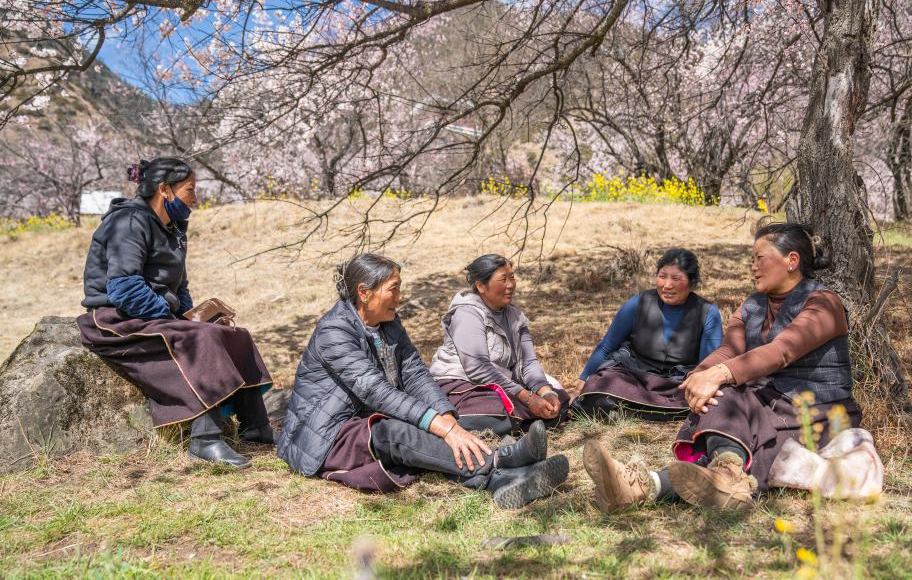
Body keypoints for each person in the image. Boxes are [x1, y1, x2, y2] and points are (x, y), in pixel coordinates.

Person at [583, 223, 863, 512]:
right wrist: (700, 375)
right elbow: (729, 350)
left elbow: (782, 350)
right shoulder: (752, 305)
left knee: (727, 397)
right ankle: (663, 484)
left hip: (816, 411)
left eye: (759, 258)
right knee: (728, 422)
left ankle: (707, 477)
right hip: (769, 407)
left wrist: (719, 374)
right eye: (751, 259)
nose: (753, 266)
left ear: (791, 261)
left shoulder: (823, 302)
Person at [276, 253, 569, 509]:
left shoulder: (389, 322)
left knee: (428, 423)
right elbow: (373, 389)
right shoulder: (334, 332)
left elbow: (415, 372)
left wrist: (446, 418)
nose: (400, 297)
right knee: (394, 431)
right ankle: (499, 461)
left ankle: (499, 481)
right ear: (364, 292)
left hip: (366, 417)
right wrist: (441, 426)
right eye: (393, 289)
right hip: (327, 434)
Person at [77, 158, 275, 469]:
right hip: (117, 318)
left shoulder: (173, 228)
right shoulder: (128, 221)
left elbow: (179, 286)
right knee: (202, 339)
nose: (195, 199)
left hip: (152, 315)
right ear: (165, 190)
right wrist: (174, 320)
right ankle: (205, 439)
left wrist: (194, 315)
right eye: (190, 190)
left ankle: (255, 425)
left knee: (234, 334)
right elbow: (123, 287)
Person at [572, 249, 723, 421]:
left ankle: (628, 410)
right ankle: (644, 410)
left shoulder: (707, 312)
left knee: (710, 400)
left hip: (677, 384)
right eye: (662, 276)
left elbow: (708, 366)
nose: (667, 285)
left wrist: (700, 387)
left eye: (676, 278)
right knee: (602, 383)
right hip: (634, 376)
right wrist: (582, 383)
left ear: (691, 282)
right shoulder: (639, 302)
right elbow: (608, 345)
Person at [430, 254, 569, 435]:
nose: (510, 285)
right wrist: (527, 398)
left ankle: (520, 426)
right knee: (495, 409)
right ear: (481, 286)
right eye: (503, 279)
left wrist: (545, 392)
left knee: (559, 398)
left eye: (512, 277)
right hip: (462, 384)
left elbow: (528, 363)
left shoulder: (514, 315)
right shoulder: (467, 314)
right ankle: (521, 426)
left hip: (499, 384)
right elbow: (477, 368)